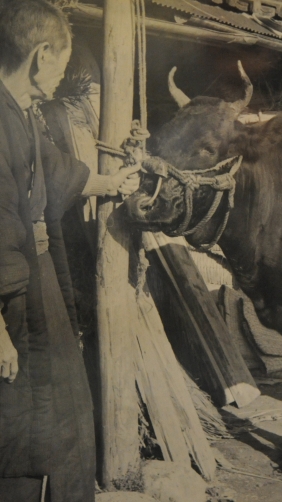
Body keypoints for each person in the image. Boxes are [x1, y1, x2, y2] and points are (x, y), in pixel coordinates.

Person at [0, 1, 140, 501]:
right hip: (9, 301)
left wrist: (107, 181)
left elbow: (54, 173)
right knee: (21, 425)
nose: (62, 76)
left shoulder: (20, 113)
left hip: (33, 284)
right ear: (41, 55)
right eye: (62, 63)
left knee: (62, 410)